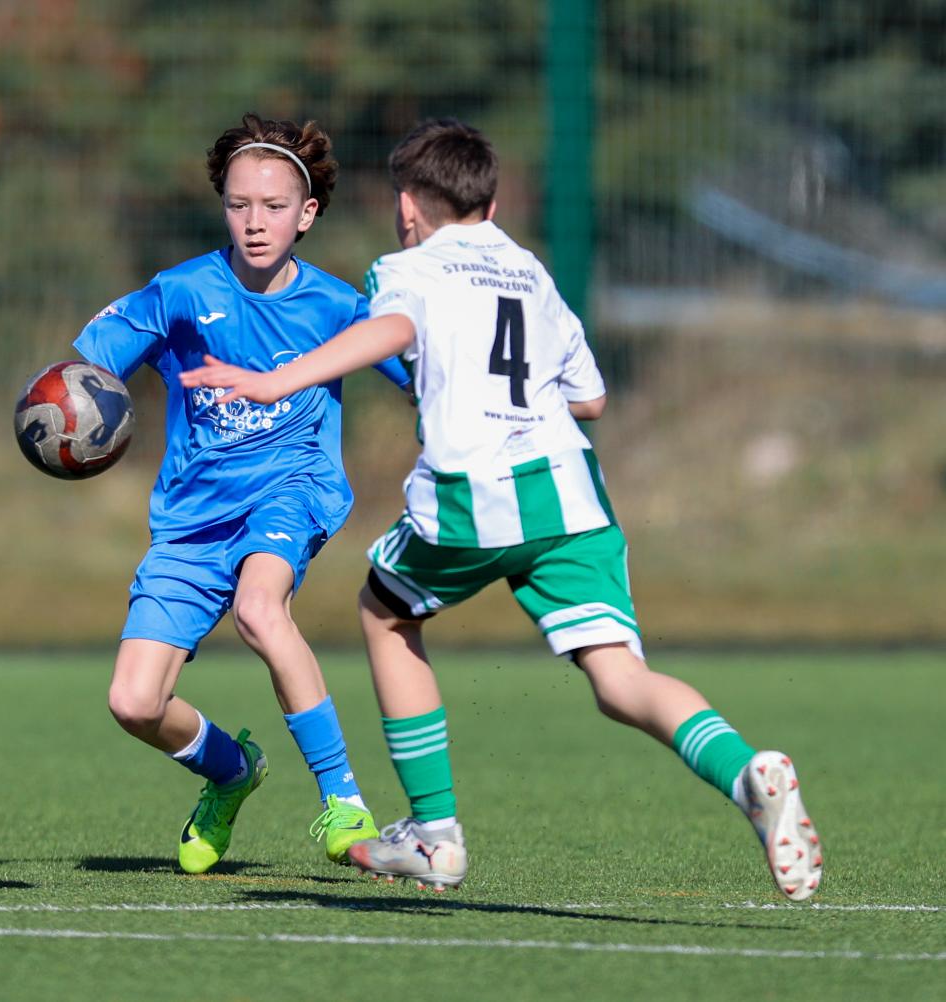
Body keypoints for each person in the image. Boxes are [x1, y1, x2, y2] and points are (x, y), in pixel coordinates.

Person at [179, 118, 823, 900]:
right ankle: (745, 772)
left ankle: (436, 835)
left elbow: (392, 327)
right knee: (621, 679)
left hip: (476, 492)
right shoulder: (529, 271)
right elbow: (590, 398)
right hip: (573, 499)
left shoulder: (406, 267)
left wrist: (277, 380)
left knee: (385, 614)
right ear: (489, 205)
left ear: (408, 206)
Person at [73, 113, 411, 875]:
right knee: (134, 703)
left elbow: (419, 377)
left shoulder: (336, 308)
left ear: (307, 213)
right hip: (192, 519)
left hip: (292, 488)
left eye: (274, 206)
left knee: (261, 609)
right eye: (239, 204)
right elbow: (84, 375)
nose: (255, 222)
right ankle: (231, 771)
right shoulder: (181, 291)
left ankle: (344, 800)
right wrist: (60, 412)